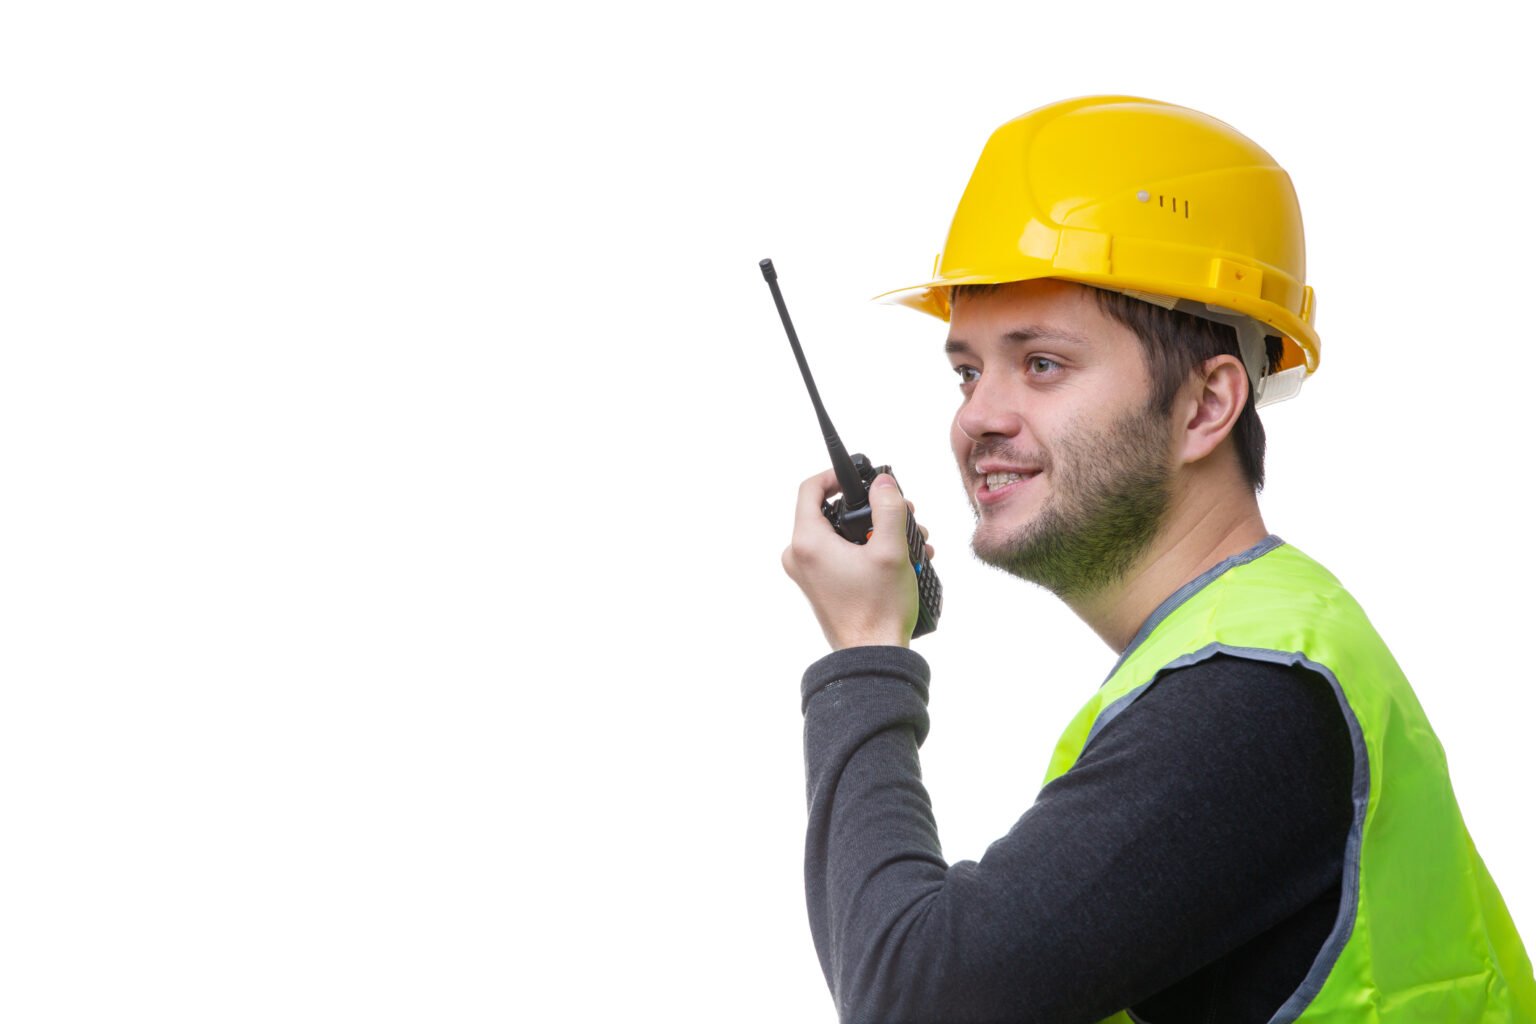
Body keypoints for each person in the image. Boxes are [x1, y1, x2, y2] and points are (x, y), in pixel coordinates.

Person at [781, 96, 1536, 1024]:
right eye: (969, 372)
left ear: (1206, 407)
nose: (979, 416)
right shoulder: (1235, 656)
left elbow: (917, 1002)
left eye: (1044, 364)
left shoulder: (1253, 697)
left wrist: (864, 652)